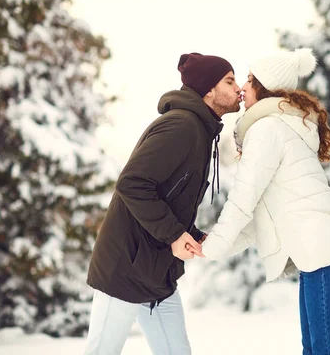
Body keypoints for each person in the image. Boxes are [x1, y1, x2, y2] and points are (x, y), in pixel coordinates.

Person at [200, 48, 330, 355]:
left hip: (327, 254)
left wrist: (211, 247)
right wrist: (210, 244)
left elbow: (241, 200)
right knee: (316, 350)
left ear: (264, 88)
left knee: (325, 351)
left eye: (249, 80)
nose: (242, 87)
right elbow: (260, 220)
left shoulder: (268, 129)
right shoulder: (278, 128)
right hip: (323, 256)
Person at [84, 52, 241, 355]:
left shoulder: (200, 130)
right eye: (229, 80)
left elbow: (170, 195)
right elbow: (133, 184)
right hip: (126, 268)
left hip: (157, 272)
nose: (238, 89)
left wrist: (190, 233)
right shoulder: (181, 126)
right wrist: (174, 234)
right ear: (209, 89)